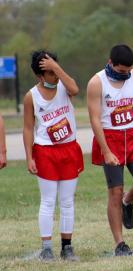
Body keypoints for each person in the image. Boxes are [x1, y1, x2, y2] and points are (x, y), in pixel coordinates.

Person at [87, 44, 133, 256]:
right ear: (110, 63)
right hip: (111, 138)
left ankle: (128, 201)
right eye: (121, 71)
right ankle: (120, 244)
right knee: (114, 192)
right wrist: (106, 150)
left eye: (128, 71)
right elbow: (94, 119)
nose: (125, 75)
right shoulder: (96, 83)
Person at [23, 51, 84, 261]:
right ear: (39, 76)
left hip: (68, 149)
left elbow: (75, 89)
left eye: (56, 69)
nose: (55, 76)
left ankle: (67, 247)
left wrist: (57, 68)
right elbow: (28, 128)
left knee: (67, 201)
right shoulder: (31, 96)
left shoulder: (64, 86)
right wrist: (29, 156)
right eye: (50, 73)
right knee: (48, 201)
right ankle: (46, 247)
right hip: (45, 151)